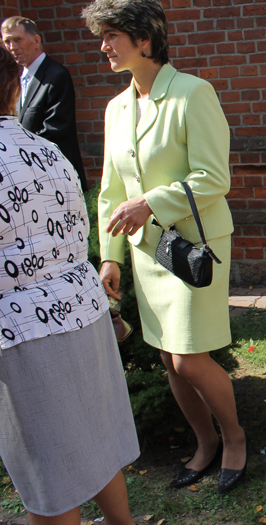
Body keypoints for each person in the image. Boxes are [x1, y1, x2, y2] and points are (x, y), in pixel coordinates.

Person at [82, 0, 246, 493]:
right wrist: (110, 258)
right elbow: (110, 190)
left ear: (144, 38)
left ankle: (234, 439)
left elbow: (214, 177)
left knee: (189, 356)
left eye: (112, 35)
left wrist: (150, 203)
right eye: (102, 37)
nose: (104, 46)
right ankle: (205, 443)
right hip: (145, 252)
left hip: (193, 247)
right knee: (166, 355)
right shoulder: (115, 108)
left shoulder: (193, 93)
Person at [0, 45, 138, 525]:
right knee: (93, 443)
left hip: (22, 332)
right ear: (14, 91)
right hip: (83, 313)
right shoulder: (47, 151)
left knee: (50, 476)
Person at [1, 16, 89, 191]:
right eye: (7, 41)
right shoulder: (17, 78)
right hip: (30, 176)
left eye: (18, 40)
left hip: (56, 175)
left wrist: (17, 153)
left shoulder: (56, 75)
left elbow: (56, 130)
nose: (12, 47)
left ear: (36, 40)